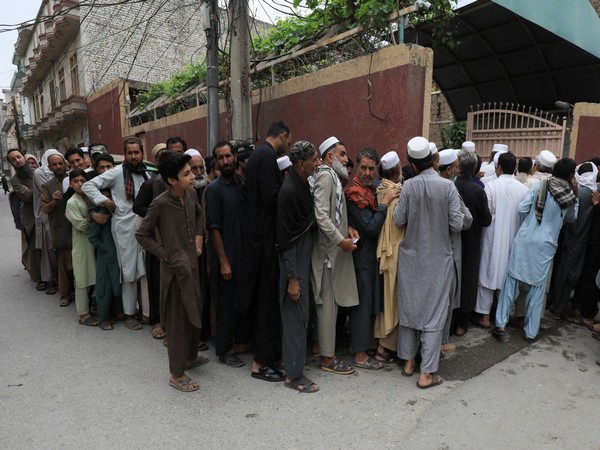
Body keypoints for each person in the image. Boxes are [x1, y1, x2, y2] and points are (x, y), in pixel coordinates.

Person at [393, 136, 464, 389]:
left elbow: (398, 220)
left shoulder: (409, 186)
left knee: (410, 308)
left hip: (411, 259)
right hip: (438, 261)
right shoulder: (448, 188)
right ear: (434, 160)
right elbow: (457, 223)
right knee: (434, 313)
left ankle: (409, 362)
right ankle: (427, 374)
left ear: (412, 163)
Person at [136, 151, 207, 392]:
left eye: (192, 172)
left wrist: (199, 238)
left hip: (193, 268)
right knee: (178, 321)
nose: (192, 176)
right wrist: (165, 255)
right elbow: (142, 235)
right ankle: (176, 374)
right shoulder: (160, 204)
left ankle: (190, 357)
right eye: (186, 174)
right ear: (171, 180)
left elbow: (199, 214)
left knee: (195, 313)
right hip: (175, 271)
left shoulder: (190, 194)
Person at [493, 158, 579, 342]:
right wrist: (576, 196)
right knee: (537, 290)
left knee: (512, 282)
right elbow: (571, 218)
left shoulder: (540, 186)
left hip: (525, 240)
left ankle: (500, 324)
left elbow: (522, 208)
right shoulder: (570, 197)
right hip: (545, 247)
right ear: (571, 176)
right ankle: (531, 332)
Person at [241, 121, 291, 382]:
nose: (287, 146)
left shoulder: (260, 154)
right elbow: (272, 197)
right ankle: (260, 364)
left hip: (259, 240)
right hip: (264, 244)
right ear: (282, 136)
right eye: (288, 141)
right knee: (266, 304)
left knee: (266, 304)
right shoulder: (267, 156)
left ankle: (265, 358)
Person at [82, 137, 149, 331]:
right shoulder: (117, 172)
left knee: (144, 270)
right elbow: (88, 186)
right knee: (128, 272)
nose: (134, 156)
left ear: (142, 153)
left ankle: (145, 311)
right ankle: (129, 314)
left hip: (144, 226)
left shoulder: (146, 173)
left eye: (137, 152)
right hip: (124, 228)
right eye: (130, 153)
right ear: (125, 154)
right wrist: (105, 201)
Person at [345, 147, 400, 369]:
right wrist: (386, 203)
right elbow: (369, 227)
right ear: (357, 167)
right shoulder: (355, 193)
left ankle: (358, 346)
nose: (368, 173)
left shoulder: (370, 190)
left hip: (368, 256)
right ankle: (359, 355)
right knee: (361, 304)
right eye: (364, 168)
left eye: (372, 168)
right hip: (362, 258)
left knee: (367, 303)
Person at [311, 136, 359, 375]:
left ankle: (324, 350)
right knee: (327, 307)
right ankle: (327, 359)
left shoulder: (334, 178)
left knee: (331, 306)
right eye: (342, 154)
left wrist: (346, 229)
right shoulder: (324, 177)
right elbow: (320, 216)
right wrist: (341, 240)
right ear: (329, 157)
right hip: (327, 255)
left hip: (333, 253)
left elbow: (334, 214)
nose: (346, 158)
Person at [276, 141, 321, 392]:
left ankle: (293, 364)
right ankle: (293, 376)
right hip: (293, 262)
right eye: (313, 160)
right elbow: (285, 240)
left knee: (301, 316)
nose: (317, 163)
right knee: (294, 318)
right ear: (300, 164)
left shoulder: (301, 183)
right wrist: (292, 278)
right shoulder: (290, 191)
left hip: (303, 257)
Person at [205, 141, 247, 368]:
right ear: (216, 162)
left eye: (228, 156)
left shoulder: (241, 184)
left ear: (235, 157)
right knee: (226, 305)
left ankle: (240, 342)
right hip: (226, 257)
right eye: (220, 158)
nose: (225, 161)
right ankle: (223, 349)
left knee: (241, 301)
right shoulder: (214, 190)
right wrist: (223, 262)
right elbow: (214, 228)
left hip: (243, 254)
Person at [475, 152, 529, 328]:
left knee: (488, 273)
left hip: (492, 236)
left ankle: (484, 317)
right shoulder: (523, 189)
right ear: (514, 168)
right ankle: (502, 316)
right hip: (513, 239)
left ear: (498, 167)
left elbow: (486, 213)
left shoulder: (491, 186)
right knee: (507, 277)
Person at [547, 162, 600, 319]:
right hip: (583, 243)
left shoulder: (579, 193)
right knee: (573, 277)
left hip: (570, 241)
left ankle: (557, 309)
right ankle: (572, 307)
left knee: (563, 277)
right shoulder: (594, 193)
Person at [453, 150, 492, 336]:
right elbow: (486, 219)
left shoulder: (452, 186)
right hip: (472, 243)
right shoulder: (478, 190)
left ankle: (450, 322)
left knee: (452, 281)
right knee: (468, 282)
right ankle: (462, 323)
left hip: (452, 241)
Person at [438, 149, 472, 353]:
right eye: (457, 167)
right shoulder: (450, 188)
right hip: (448, 252)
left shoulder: (416, 184)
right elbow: (465, 220)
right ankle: (441, 342)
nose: (458, 172)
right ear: (449, 169)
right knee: (446, 297)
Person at [373, 151, 404, 362]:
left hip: (388, 254)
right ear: (397, 170)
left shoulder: (381, 190)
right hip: (395, 254)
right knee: (392, 301)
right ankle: (385, 348)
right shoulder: (395, 192)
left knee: (388, 300)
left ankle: (383, 346)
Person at [40, 152, 73, 307]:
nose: (58, 167)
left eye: (60, 163)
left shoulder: (74, 179)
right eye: (55, 164)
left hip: (77, 227)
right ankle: (65, 294)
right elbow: (44, 209)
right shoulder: (47, 186)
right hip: (60, 228)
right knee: (64, 263)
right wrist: (54, 201)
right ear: (50, 167)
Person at [65, 169, 98, 326]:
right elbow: (82, 226)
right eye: (76, 181)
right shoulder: (72, 203)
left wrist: (88, 219)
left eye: (82, 181)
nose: (79, 184)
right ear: (70, 184)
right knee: (82, 279)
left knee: (95, 277)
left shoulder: (90, 198)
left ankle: (94, 307)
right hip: (82, 245)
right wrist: (92, 220)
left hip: (94, 243)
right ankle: (83, 314)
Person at [7, 148, 41, 285]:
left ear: (24, 157)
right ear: (11, 163)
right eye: (13, 159)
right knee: (35, 249)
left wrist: (33, 190)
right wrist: (39, 188)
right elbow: (26, 197)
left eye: (18, 157)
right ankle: (39, 279)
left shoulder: (37, 173)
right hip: (30, 218)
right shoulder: (15, 180)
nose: (17, 160)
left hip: (45, 214)